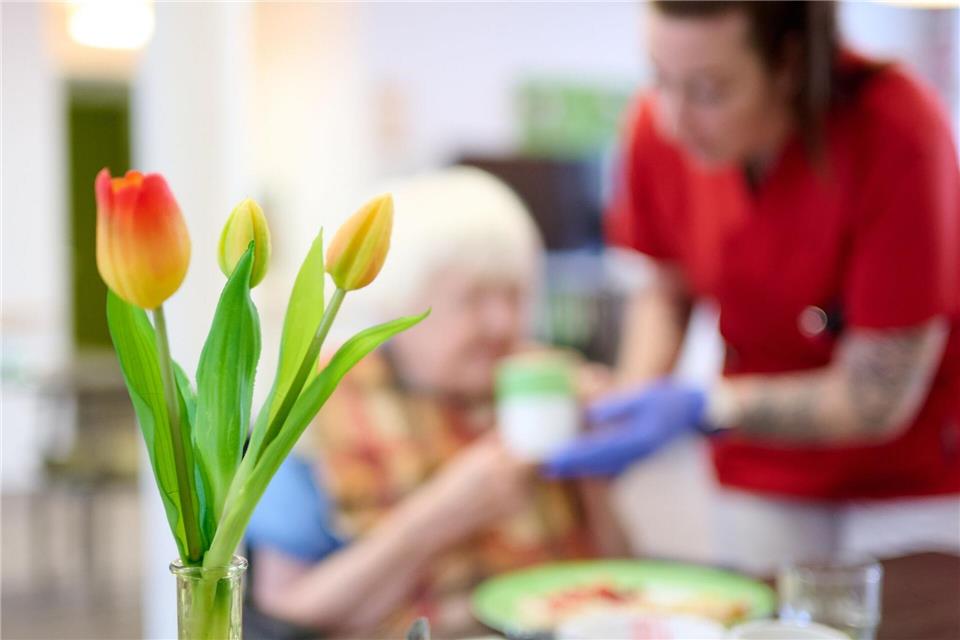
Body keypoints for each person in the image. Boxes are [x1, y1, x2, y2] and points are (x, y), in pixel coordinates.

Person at [546, 0, 960, 572]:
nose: (672, 119)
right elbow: (667, 289)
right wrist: (627, 404)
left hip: (905, 469)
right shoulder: (655, 129)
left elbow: (876, 397)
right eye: (660, 79)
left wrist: (703, 405)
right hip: (762, 459)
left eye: (710, 91)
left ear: (787, 63)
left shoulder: (897, 130)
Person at [245, 167, 627, 638]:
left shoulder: (541, 384)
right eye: (473, 299)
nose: (501, 323)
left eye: (515, 295)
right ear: (398, 304)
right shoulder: (317, 403)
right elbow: (284, 614)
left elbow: (622, 576)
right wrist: (439, 517)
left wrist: (594, 469)